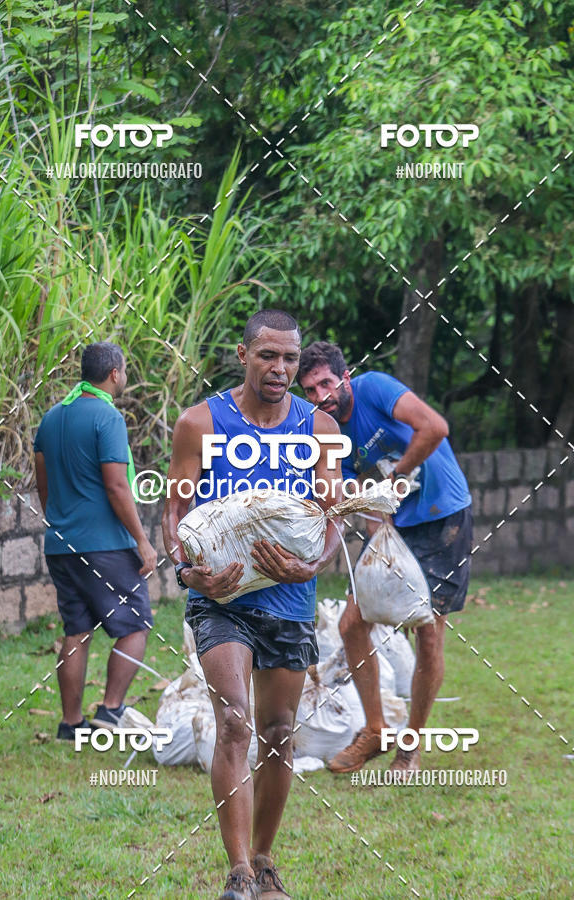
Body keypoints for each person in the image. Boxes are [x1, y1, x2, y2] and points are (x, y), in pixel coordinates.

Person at [162, 310, 343, 900]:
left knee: (279, 731)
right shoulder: (199, 422)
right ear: (243, 355)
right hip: (222, 600)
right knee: (235, 722)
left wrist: (312, 563)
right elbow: (175, 516)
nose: (281, 369)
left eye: (290, 358)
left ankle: (264, 861)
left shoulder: (317, 428)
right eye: (268, 356)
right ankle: (238, 873)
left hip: (290, 598)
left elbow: (333, 515)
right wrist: (191, 572)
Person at [297, 341, 473, 777]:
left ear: (345, 378)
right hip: (396, 529)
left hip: (441, 516)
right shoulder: (327, 431)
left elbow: (435, 427)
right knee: (352, 624)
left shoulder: (376, 389)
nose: (321, 396)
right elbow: (352, 489)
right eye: (310, 391)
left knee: (429, 634)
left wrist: (394, 479)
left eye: (325, 384)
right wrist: (358, 517)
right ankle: (376, 730)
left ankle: (409, 748)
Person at [34, 341, 157, 741]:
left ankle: (70, 724)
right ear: (114, 373)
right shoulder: (108, 417)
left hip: (61, 544)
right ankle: (111, 709)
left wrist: (61, 521)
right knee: (136, 623)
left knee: (77, 630)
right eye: (124, 371)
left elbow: (43, 482)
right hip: (104, 544)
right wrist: (143, 540)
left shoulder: (52, 417)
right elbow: (118, 487)